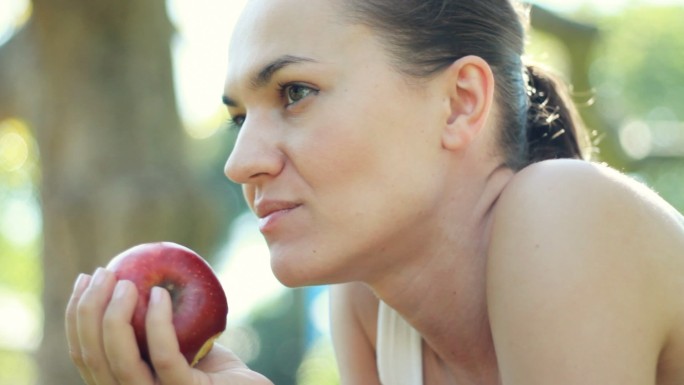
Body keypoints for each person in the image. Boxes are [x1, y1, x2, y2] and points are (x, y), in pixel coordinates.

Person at [65, 0, 684, 384]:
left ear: (459, 102)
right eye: (238, 119)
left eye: (295, 92)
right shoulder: (370, 305)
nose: (240, 163)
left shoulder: (566, 208)